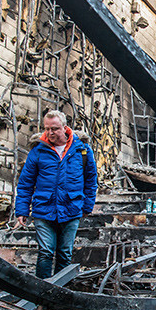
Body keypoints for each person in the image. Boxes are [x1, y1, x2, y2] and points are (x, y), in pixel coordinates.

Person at [15, 110, 97, 279]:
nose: (50, 133)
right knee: (45, 251)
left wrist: (87, 206)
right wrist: (22, 210)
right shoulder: (37, 151)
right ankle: (42, 295)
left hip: (71, 208)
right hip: (44, 209)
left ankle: (60, 295)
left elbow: (91, 180)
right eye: (47, 129)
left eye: (55, 128)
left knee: (65, 253)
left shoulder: (82, 150)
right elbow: (25, 183)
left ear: (64, 128)